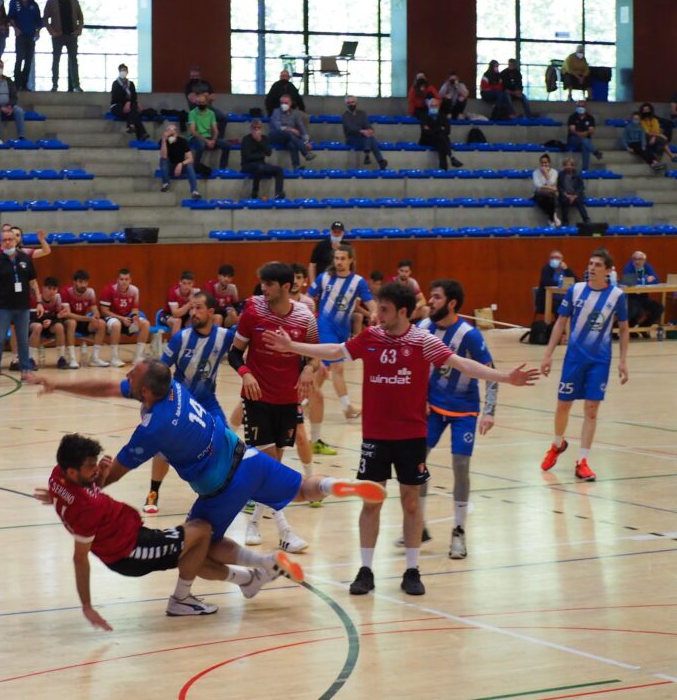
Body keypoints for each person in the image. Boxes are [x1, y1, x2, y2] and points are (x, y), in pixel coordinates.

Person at [264, 281, 539, 596]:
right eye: (377, 308)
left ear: (403, 312)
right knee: (371, 501)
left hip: (411, 435)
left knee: (410, 502)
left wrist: (505, 377)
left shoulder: (423, 341)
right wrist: (292, 347)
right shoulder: (372, 337)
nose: (376, 315)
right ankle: (365, 570)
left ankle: (412, 570)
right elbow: (336, 350)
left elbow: (461, 364)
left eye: (384, 310)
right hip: (375, 436)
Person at [34, 361, 384, 607]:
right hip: (246, 457)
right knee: (304, 489)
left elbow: (110, 478)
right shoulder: (171, 387)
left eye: (132, 373)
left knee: (197, 544)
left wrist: (76, 484)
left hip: (222, 487)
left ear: (145, 390)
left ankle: (189, 595)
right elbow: (110, 387)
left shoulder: (155, 427)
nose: (126, 375)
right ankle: (337, 484)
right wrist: (60, 383)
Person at [41, 433, 305, 626]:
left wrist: (79, 486)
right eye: (91, 467)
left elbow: (75, 495)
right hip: (130, 551)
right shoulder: (87, 507)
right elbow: (79, 558)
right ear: (72, 472)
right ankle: (181, 599)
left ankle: (249, 579)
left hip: (134, 536)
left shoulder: (58, 477)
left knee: (196, 548)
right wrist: (87, 606)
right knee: (201, 531)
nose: (97, 469)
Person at [229, 261, 320, 553]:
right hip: (257, 399)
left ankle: (254, 522)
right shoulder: (253, 311)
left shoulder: (305, 317)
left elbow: (314, 355)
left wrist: (309, 370)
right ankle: (285, 531)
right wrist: (247, 374)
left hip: (288, 401)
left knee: (272, 468)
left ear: (285, 286)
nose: (263, 290)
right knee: (269, 465)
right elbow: (234, 355)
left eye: (268, 285)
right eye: (262, 284)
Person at [416, 280, 498, 559]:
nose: (431, 301)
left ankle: (459, 531)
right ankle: (419, 526)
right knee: (417, 462)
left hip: (464, 409)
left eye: (436, 297)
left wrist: (489, 411)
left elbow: (490, 372)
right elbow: (414, 366)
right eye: (431, 296)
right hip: (433, 409)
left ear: (451, 303)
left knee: (460, 465)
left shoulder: (469, 335)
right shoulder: (423, 328)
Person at [540, 249, 629, 482]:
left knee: (591, 410)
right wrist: (547, 355)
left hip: (600, 361)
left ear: (608, 270)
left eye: (598, 265)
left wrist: (622, 361)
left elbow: (625, 328)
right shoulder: (576, 290)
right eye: (590, 264)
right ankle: (557, 444)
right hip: (574, 359)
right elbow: (560, 322)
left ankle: (582, 461)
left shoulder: (617, 296)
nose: (591, 268)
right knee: (563, 406)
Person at [145, 291, 238, 514]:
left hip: (207, 400)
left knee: (228, 442)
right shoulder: (182, 338)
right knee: (162, 446)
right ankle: (153, 493)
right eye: (192, 308)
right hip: (177, 400)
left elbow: (247, 337)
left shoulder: (224, 336)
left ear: (211, 312)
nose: (193, 313)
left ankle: (232, 492)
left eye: (198, 308)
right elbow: (160, 368)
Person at [309, 244, 376, 433]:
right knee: (337, 367)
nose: (338, 262)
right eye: (336, 258)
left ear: (351, 260)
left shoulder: (358, 282)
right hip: (325, 327)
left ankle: (306, 402)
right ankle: (347, 408)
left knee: (323, 370)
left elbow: (371, 303)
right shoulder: (325, 278)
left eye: (342, 259)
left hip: (343, 330)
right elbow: (308, 298)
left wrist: (375, 313)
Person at [0, 229, 41, 385]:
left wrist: (39, 302)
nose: (8, 242)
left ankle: (26, 371)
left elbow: (33, 283)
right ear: (1, 243)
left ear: (16, 241)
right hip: (3, 308)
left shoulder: (26, 259)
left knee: (23, 340)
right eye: (4, 240)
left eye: (10, 239)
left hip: (23, 307)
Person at [99, 268, 151, 367]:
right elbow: (104, 311)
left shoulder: (134, 290)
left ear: (130, 280)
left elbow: (135, 309)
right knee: (116, 324)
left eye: (126, 279)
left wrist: (133, 318)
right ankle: (114, 357)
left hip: (126, 318)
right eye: (121, 279)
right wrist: (122, 319)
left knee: (145, 324)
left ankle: (138, 356)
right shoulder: (109, 290)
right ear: (117, 279)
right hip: (110, 317)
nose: (124, 282)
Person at [60, 269, 110, 368]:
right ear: (74, 282)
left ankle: (94, 358)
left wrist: (95, 317)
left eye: (86, 282)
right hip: (67, 321)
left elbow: (95, 310)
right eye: (80, 282)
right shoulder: (65, 291)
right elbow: (68, 314)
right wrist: (88, 319)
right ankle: (72, 359)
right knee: (72, 322)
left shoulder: (90, 292)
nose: (84, 285)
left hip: (82, 320)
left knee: (102, 323)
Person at [44, 0, 83, 92]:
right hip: (57, 36)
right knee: (56, 60)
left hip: (71, 35)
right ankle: (55, 84)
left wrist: (78, 30)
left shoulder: (74, 2)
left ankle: (76, 85)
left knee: (73, 60)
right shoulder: (51, 2)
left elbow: (81, 17)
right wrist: (52, 32)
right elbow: (45, 19)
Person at [8, 0, 41, 91]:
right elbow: (10, 18)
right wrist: (15, 29)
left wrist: (38, 31)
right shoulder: (14, 2)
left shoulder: (33, 4)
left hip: (31, 35)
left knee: (28, 60)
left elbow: (38, 20)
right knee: (19, 59)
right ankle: (17, 84)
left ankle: (25, 83)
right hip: (20, 35)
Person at [33, 277, 73, 369]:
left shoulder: (57, 298)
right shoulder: (37, 299)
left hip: (50, 325)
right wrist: (43, 322)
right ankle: (32, 359)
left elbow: (59, 317)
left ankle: (61, 358)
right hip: (38, 324)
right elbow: (33, 317)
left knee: (59, 326)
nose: (52, 291)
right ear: (43, 288)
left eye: (54, 289)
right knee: (37, 326)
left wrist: (53, 320)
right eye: (49, 288)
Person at [240, 118, 284, 200]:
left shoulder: (264, 138)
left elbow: (268, 153)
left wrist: (259, 141)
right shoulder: (246, 139)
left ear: (261, 128)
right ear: (251, 128)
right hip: (247, 165)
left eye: (258, 128)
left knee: (279, 170)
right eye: (254, 128)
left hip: (261, 164)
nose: (256, 130)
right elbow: (247, 156)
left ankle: (279, 193)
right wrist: (261, 155)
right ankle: (254, 192)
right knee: (259, 167)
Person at [268, 94, 314, 169]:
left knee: (292, 144)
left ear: (290, 103)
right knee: (290, 134)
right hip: (275, 135)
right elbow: (278, 127)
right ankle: (305, 153)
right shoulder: (276, 112)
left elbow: (302, 129)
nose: (284, 105)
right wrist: (291, 129)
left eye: (286, 103)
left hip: (289, 137)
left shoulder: (295, 113)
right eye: (282, 103)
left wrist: (306, 141)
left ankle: (296, 166)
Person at [189, 91, 231, 174]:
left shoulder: (211, 113)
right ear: (197, 103)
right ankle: (195, 167)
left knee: (226, 145)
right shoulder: (192, 113)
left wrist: (213, 140)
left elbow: (215, 130)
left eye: (203, 102)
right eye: (199, 103)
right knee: (201, 146)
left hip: (208, 137)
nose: (201, 104)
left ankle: (222, 169)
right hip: (196, 137)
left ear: (206, 103)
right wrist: (207, 141)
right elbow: (193, 131)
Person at [622, 251, 664, 332]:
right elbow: (628, 281)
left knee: (658, 308)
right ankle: (618, 330)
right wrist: (645, 280)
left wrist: (638, 280)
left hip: (643, 298)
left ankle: (644, 328)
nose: (637, 261)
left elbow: (656, 280)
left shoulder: (647, 266)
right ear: (632, 260)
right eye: (635, 259)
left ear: (644, 260)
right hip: (631, 298)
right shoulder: (628, 267)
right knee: (635, 310)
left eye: (640, 259)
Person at [342, 96, 387, 169]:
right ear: (346, 104)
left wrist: (370, 130)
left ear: (356, 103)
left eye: (352, 102)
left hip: (363, 138)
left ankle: (367, 154)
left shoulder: (362, 113)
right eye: (348, 103)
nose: (351, 104)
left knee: (369, 136)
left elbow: (367, 124)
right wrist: (362, 131)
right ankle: (380, 160)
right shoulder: (345, 116)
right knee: (370, 138)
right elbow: (350, 128)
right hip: (352, 139)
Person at [419, 97, 463, 170]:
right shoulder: (424, 116)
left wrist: (433, 129)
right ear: (429, 106)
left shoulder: (443, 116)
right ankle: (451, 157)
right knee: (441, 137)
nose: (434, 107)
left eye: (435, 106)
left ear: (438, 107)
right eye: (432, 106)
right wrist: (440, 129)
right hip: (427, 139)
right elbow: (425, 132)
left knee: (440, 141)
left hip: (439, 139)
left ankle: (444, 167)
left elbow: (448, 131)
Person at [184, 65, 228, 137]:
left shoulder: (206, 84)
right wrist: (206, 95)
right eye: (192, 76)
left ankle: (219, 138)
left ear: (200, 75)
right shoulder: (188, 86)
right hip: (196, 110)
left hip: (209, 109)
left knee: (224, 117)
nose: (194, 78)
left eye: (196, 76)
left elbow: (214, 97)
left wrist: (201, 96)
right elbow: (193, 99)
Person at [109, 63, 148, 140]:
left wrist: (129, 102)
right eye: (122, 70)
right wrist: (128, 102)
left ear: (127, 72)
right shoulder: (116, 83)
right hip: (117, 106)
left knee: (133, 109)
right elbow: (116, 97)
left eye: (125, 70)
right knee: (134, 112)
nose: (123, 72)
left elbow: (134, 96)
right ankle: (141, 133)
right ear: (119, 71)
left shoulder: (131, 84)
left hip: (130, 106)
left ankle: (131, 126)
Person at [158, 122, 198, 197]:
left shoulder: (183, 141)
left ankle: (194, 191)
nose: (171, 132)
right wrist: (164, 140)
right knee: (162, 160)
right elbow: (164, 156)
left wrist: (181, 164)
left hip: (180, 166)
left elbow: (190, 159)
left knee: (189, 165)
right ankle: (166, 184)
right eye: (168, 130)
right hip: (169, 167)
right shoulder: (163, 141)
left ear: (177, 132)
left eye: (173, 130)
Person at [535, 249, 577, 317]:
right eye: (552, 258)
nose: (554, 259)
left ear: (562, 260)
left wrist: (567, 270)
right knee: (563, 307)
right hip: (548, 300)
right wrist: (563, 284)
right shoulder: (546, 268)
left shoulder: (566, 270)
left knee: (571, 305)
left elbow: (576, 282)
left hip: (564, 299)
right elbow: (547, 282)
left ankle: (567, 327)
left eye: (557, 258)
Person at [567, 100, 603, 173]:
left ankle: (584, 170)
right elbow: (572, 130)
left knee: (585, 145)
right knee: (584, 140)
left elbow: (591, 130)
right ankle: (595, 152)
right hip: (573, 140)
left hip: (585, 141)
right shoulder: (572, 117)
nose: (580, 108)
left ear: (586, 107)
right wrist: (581, 134)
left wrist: (583, 134)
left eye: (582, 106)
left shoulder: (590, 118)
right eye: (579, 106)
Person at [163, 271, 199, 336]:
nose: (186, 286)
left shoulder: (196, 293)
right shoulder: (173, 292)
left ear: (193, 284)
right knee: (177, 321)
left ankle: (189, 343)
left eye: (189, 283)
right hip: (168, 315)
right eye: (184, 283)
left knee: (195, 318)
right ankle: (175, 345)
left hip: (185, 316)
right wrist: (190, 303)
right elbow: (175, 314)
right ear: (180, 282)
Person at [558, 157, 591, 225]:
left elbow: (581, 187)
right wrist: (566, 194)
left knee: (579, 201)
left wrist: (575, 195)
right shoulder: (561, 175)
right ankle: (565, 221)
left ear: (573, 166)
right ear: (564, 166)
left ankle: (586, 219)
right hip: (565, 194)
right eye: (566, 165)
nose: (568, 167)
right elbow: (559, 187)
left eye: (570, 165)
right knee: (564, 201)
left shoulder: (577, 174)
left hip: (576, 194)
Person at [531, 153, 561, 228]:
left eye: (546, 162)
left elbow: (551, 182)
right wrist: (552, 188)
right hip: (538, 194)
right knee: (551, 195)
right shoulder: (535, 172)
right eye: (542, 162)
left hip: (549, 194)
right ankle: (553, 215)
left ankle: (551, 219)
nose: (544, 164)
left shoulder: (554, 172)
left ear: (549, 163)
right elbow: (537, 185)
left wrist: (546, 173)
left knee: (550, 196)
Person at [638, 102, 670, 171]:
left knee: (661, 142)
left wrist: (655, 137)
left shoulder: (655, 120)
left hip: (654, 136)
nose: (646, 111)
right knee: (662, 139)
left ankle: (656, 162)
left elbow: (656, 130)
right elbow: (646, 131)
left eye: (647, 110)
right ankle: (657, 161)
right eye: (644, 110)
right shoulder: (641, 121)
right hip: (644, 137)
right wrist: (659, 135)